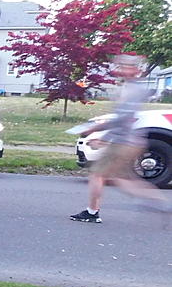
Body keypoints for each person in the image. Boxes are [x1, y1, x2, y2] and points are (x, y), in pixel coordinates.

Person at [70, 54, 169, 223]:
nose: (121, 69)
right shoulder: (130, 87)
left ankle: (92, 212)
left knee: (97, 175)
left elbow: (122, 119)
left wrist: (99, 134)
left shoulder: (132, 90)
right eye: (120, 65)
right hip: (129, 141)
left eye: (126, 66)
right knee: (123, 179)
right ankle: (160, 203)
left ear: (136, 70)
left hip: (124, 142)